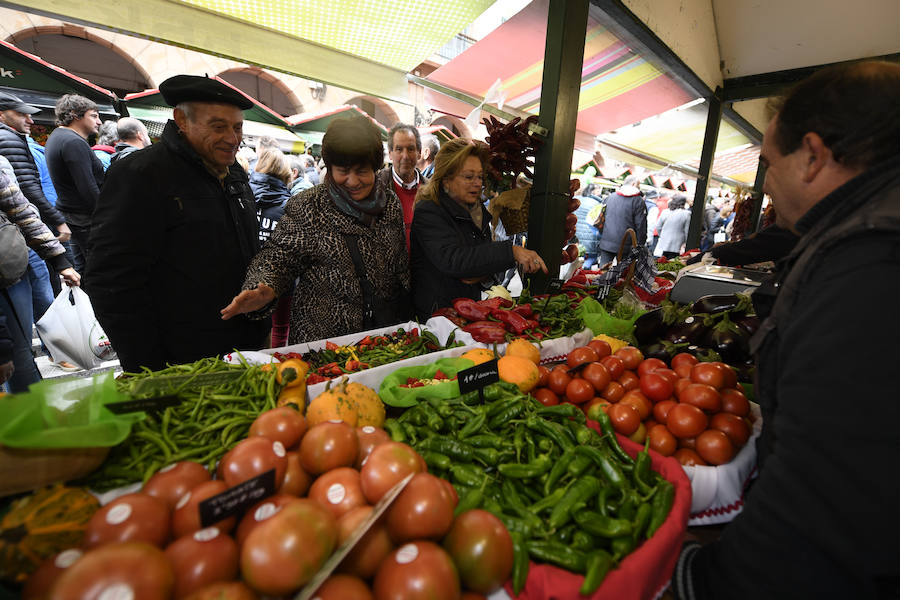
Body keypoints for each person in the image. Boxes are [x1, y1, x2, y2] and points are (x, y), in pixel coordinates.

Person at [671, 61, 900, 600]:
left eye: (769, 163)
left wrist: (698, 581)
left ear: (815, 156)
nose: (767, 182)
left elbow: (827, 502)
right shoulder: (868, 231)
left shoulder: (871, 265)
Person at [86, 74, 268, 372]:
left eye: (237, 128)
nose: (232, 139)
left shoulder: (234, 173)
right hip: (180, 357)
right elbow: (111, 281)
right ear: (181, 120)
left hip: (242, 346)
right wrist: (148, 367)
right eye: (218, 126)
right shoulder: (141, 174)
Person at [221, 116, 411, 343]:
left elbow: (400, 267)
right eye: (343, 171)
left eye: (362, 171)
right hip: (325, 343)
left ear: (375, 167)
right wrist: (263, 287)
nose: (352, 181)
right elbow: (278, 256)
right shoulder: (309, 205)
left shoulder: (389, 203)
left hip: (382, 337)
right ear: (329, 168)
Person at [408, 138, 547, 320]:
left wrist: (481, 272)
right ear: (446, 180)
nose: (477, 183)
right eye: (468, 176)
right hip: (437, 316)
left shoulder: (476, 210)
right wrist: (510, 252)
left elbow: (480, 259)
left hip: (468, 310)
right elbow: (454, 260)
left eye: (480, 176)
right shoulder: (429, 211)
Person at [0, 158, 80, 392]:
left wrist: (59, 260)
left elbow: (20, 209)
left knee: (13, 354)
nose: (28, 119)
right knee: (13, 354)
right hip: (6, 277)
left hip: (9, 269)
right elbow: (21, 210)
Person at [45, 94, 104, 276]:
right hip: (85, 219)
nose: (99, 122)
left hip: (74, 217)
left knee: (84, 270)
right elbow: (87, 187)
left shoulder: (58, 137)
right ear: (74, 115)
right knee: (100, 270)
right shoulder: (72, 141)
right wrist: (106, 216)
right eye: (93, 115)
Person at [377, 123, 426, 252]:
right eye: (399, 149)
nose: (405, 156)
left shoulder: (432, 190)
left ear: (419, 153)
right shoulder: (376, 188)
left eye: (410, 149)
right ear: (390, 154)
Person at [597, 175, 647, 265]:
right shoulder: (638, 200)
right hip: (626, 245)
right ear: (634, 184)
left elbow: (601, 218)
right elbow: (641, 226)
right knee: (623, 275)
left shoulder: (610, 197)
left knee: (602, 271)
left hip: (607, 242)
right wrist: (640, 245)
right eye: (638, 185)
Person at [573, 186, 602, 269]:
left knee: (574, 260)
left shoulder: (577, 200)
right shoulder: (597, 204)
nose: (599, 192)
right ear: (593, 191)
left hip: (575, 236)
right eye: (598, 190)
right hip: (591, 238)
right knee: (589, 260)